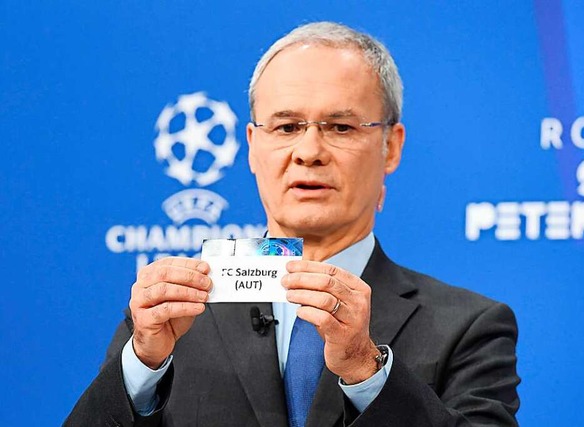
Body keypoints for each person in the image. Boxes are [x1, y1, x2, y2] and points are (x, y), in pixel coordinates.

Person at [65, 21, 520, 426]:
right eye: (286, 127)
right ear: (251, 146)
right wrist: (142, 366)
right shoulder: (171, 313)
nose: (309, 151)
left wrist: (366, 370)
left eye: (341, 127)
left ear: (391, 147)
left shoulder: (470, 326)